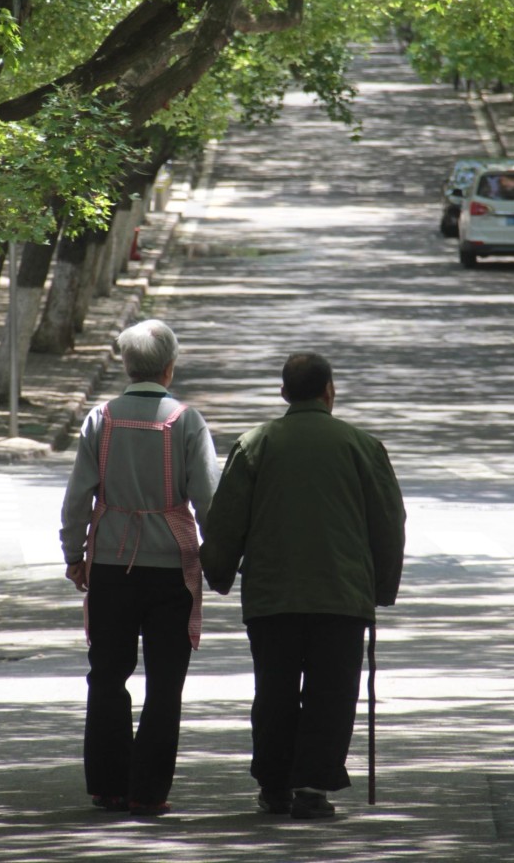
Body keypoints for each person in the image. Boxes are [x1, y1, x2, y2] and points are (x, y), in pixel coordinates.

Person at [200, 352, 406, 821]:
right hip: (341, 595)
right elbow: (389, 522)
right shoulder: (362, 446)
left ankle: (274, 786)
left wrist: (217, 570)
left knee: (274, 690)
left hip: (273, 597)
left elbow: (227, 519)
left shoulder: (256, 445)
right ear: (330, 391)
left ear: (284, 394)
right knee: (331, 692)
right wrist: (380, 587)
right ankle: (312, 786)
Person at [60, 318, 219, 817]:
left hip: (109, 564)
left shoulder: (100, 419)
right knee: (165, 681)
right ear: (169, 368)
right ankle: (147, 792)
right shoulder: (186, 421)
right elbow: (208, 500)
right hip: (171, 567)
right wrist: (218, 558)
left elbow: (76, 499)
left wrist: (74, 553)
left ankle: (107, 786)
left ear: (126, 366)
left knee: (107, 675)